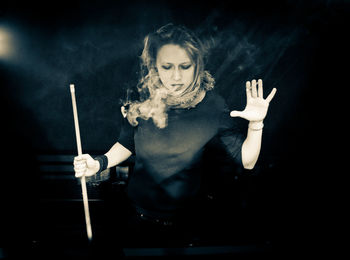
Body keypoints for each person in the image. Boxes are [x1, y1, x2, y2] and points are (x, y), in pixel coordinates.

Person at [73, 23, 276, 246]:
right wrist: (99, 163)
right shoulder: (142, 98)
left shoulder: (213, 106)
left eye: (185, 66)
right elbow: (127, 143)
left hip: (188, 225)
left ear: (197, 66)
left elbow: (247, 161)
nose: (176, 77)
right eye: (167, 67)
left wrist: (257, 123)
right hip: (136, 218)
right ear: (155, 66)